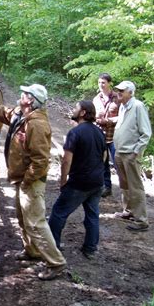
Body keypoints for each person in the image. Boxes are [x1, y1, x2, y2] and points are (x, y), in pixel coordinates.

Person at [0, 83, 67, 281]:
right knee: (22, 217)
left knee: (35, 222)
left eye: (25, 93)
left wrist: (27, 180)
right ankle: (32, 251)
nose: (21, 94)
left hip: (31, 181)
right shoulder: (22, 116)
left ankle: (56, 263)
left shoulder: (36, 124)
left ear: (32, 100)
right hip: (22, 179)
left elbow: (41, 160)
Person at [48, 101, 107, 259]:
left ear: (82, 113)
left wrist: (62, 182)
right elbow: (104, 156)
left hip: (79, 183)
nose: (73, 110)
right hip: (97, 182)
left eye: (76, 108)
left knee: (58, 213)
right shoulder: (99, 132)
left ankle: (52, 248)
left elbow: (66, 160)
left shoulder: (75, 133)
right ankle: (90, 249)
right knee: (92, 215)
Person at [113, 80, 152, 232]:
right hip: (120, 152)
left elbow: (145, 133)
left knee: (135, 186)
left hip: (131, 153)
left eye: (122, 91)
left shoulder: (137, 106)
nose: (119, 93)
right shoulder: (123, 106)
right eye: (118, 90)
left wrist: (136, 152)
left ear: (131, 92)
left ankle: (142, 220)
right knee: (124, 184)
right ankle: (128, 211)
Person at [93, 73, 119, 198]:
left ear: (109, 83)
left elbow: (124, 117)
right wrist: (96, 119)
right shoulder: (96, 99)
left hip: (114, 136)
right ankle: (106, 187)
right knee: (102, 164)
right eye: (99, 82)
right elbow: (92, 116)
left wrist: (108, 120)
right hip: (100, 136)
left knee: (118, 162)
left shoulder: (117, 98)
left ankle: (125, 188)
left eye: (103, 82)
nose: (101, 85)